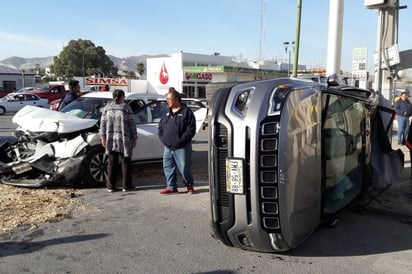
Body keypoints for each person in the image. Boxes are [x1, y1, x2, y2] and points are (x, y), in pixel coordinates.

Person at [158, 87, 196, 194]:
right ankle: (171, 187)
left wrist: (180, 141)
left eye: (168, 99)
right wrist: (163, 138)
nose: (167, 101)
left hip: (182, 147)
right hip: (168, 147)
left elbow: (190, 130)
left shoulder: (186, 112)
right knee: (168, 167)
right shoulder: (166, 112)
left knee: (184, 168)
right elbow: (160, 126)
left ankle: (189, 186)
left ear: (176, 100)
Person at [100, 89, 138, 192]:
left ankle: (110, 186)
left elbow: (102, 124)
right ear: (122, 97)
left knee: (112, 162)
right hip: (124, 138)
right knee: (125, 162)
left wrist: (103, 137)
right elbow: (132, 123)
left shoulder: (107, 108)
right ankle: (126, 186)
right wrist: (135, 137)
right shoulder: (126, 107)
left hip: (111, 139)